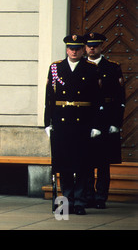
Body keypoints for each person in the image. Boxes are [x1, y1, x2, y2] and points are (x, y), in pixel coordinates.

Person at [44, 34, 102, 215]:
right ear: (67, 49)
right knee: (64, 165)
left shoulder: (91, 68)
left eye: (77, 48)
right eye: (71, 48)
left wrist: (96, 125)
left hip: (83, 122)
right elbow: (49, 98)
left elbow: (97, 99)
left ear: (83, 49)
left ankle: (80, 202)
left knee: (83, 165)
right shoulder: (55, 68)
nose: (74, 51)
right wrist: (47, 123)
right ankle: (66, 200)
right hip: (62, 122)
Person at [84, 32, 125, 209]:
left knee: (103, 162)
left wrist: (117, 123)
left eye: (95, 45)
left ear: (101, 47)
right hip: (86, 118)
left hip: (107, 118)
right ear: (85, 48)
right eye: (89, 45)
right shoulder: (81, 67)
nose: (92, 48)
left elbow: (120, 98)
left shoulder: (112, 67)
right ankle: (88, 196)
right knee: (85, 161)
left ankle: (101, 197)